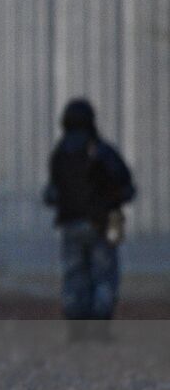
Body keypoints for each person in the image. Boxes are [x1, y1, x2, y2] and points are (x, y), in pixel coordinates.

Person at [43, 99, 135, 322]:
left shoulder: (60, 154)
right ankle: (99, 326)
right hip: (103, 224)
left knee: (74, 276)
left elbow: (50, 194)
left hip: (70, 224)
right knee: (103, 275)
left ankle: (77, 326)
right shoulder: (102, 151)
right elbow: (127, 187)